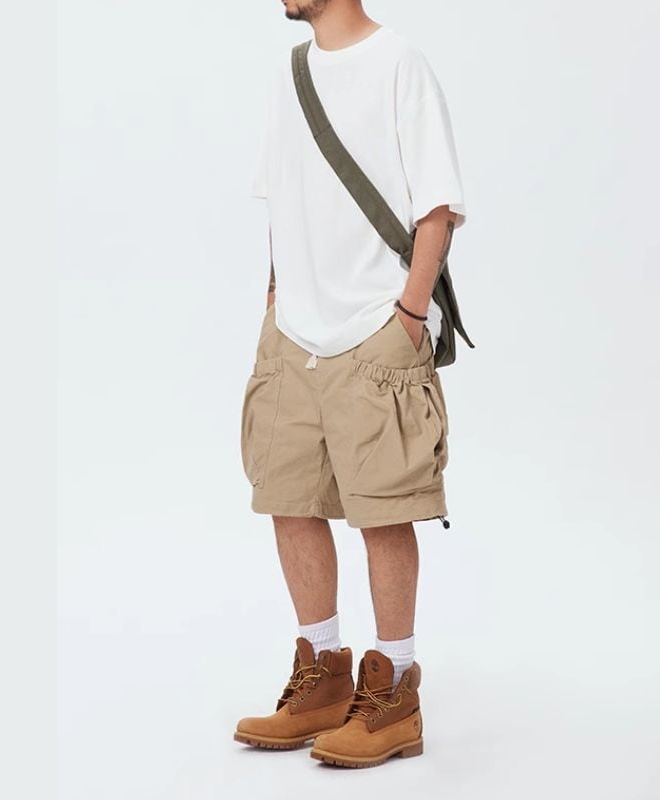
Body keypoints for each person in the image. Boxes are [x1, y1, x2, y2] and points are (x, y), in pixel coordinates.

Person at [234, 0, 466, 768]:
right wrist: (276, 296)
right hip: (294, 333)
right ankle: (324, 677)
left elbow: (438, 205)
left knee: (384, 511)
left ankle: (394, 691)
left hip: (375, 326)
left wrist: (410, 313)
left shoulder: (400, 63)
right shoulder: (289, 73)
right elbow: (284, 195)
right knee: (289, 499)